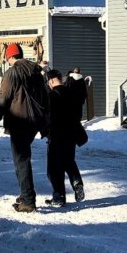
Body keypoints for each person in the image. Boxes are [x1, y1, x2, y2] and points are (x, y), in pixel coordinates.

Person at [0, 43, 50, 213]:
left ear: (10, 57)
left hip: (19, 121)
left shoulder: (12, 73)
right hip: (35, 121)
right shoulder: (36, 71)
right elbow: (45, 97)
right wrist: (45, 122)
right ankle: (25, 195)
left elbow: (3, 100)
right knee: (23, 158)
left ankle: (28, 200)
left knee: (21, 160)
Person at [44, 69, 85, 207]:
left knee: (54, 169)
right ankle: (76, 181)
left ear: (51, 81)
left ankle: (58, 197)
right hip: (72, 134)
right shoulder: (72, 93)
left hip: (56, 135)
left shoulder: (51, 96)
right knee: (68, 161)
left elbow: (47, 117)